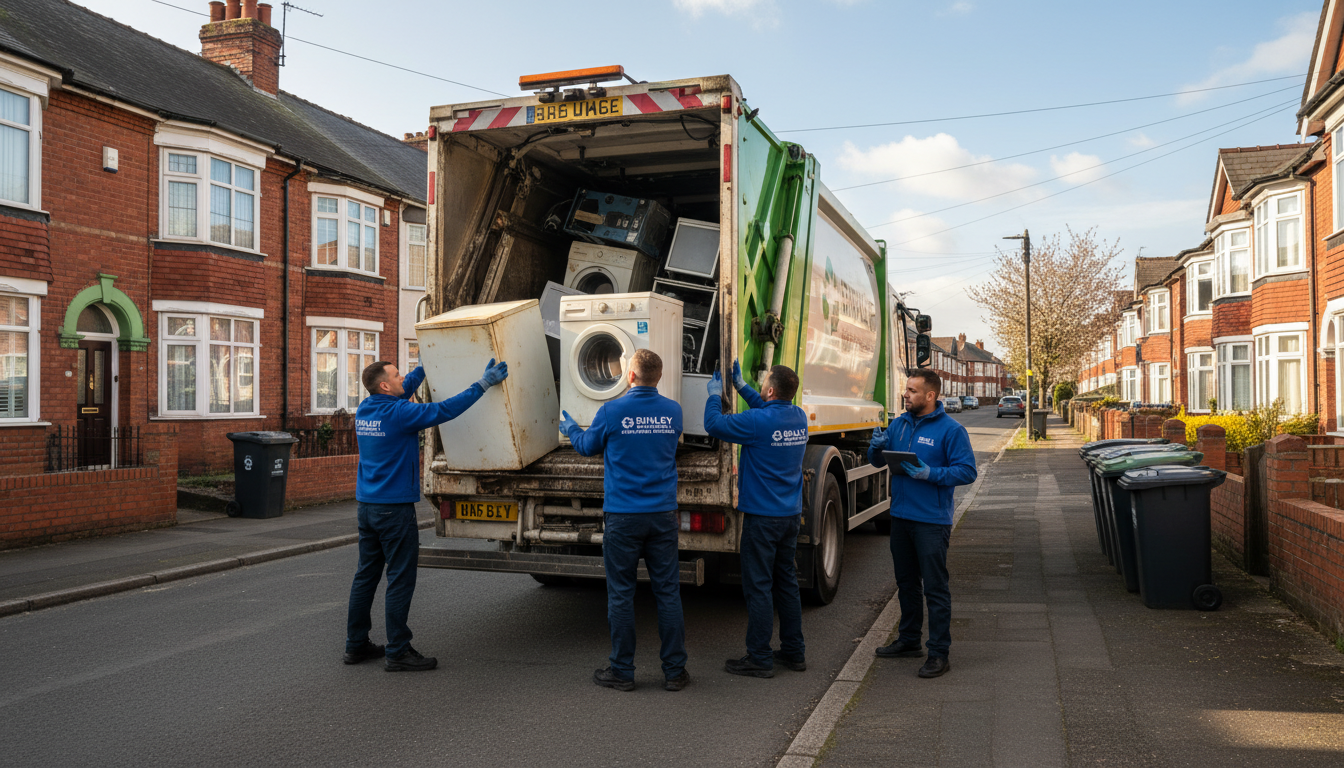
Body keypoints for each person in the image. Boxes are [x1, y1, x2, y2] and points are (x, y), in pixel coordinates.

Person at [344, 357, 509, 672]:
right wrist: (484, 383)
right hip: (394, 511)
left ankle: (356, 645)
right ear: (384, 385)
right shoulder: (400, 414)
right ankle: (398, 651)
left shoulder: (365, 411)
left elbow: (404, 389)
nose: (402, 376)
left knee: (365, 576)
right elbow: (445, 410)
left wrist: (426, 363)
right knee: (400, 579)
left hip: (367, 507)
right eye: (396, 374)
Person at [560, 349, 689, 693]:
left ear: (629, 376)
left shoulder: (612, 410)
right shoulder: (673, 411)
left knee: (621, 594)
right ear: (658, 377)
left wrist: (570, 426)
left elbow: (587, 446)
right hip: (662, 515)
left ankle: (622, 671)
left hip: (623, 516)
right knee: (668, 593)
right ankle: (675, 672)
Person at [867, 368, 976, 678]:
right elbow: (877, 462)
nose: (906, 394)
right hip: (900, 517)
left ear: (931, 395)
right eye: (906, 389)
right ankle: (909, 639)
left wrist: (932, 474)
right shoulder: (899, 424)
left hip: (931, 521)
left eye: (913, 390)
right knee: (906, 584)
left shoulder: (952, 431)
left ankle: (939, 652)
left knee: (936, 589)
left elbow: (967, 472)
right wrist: (876, 447)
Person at [704, 360, 808, 679]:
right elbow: (766, 410)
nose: (761, 388)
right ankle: (793, 652)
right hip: (789, 516)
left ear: (772, 389)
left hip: (762, 519)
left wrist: (713, 394)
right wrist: (742, 386)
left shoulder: (757, 423)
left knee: (758, 587)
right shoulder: (798, 417)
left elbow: (713, 424)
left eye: (763, 384)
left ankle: (759, 656)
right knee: (786, 583)